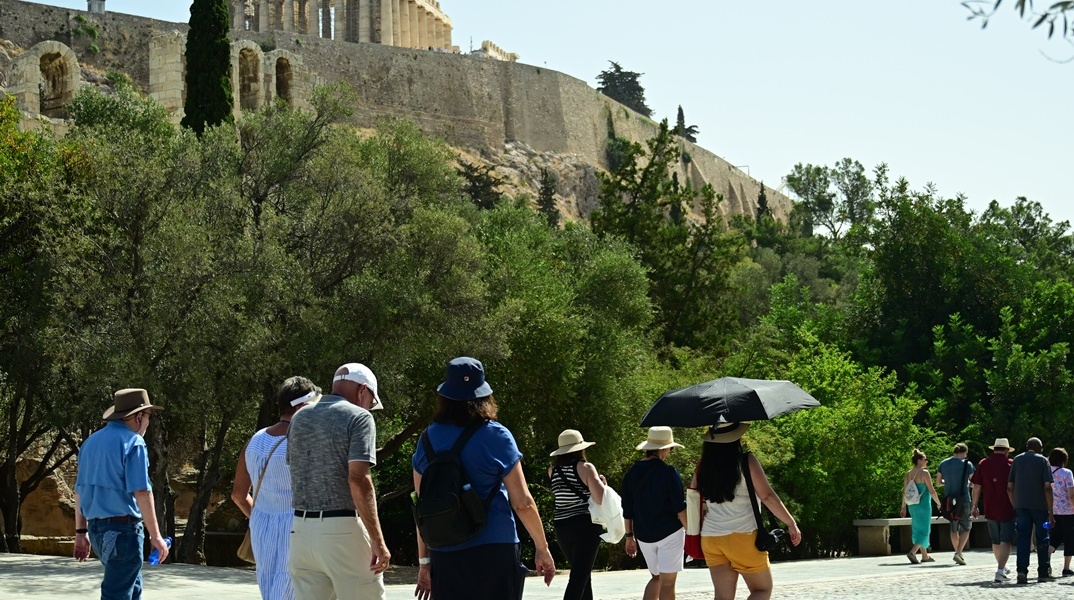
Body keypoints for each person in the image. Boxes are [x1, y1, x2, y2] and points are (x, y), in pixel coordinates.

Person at [412, 356, 555, 600]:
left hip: (445, 552)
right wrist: (543, 549)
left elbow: (422, 508)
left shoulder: (427, 440)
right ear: (483, 396)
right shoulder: (496, 435)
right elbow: (523, 503)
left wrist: (425, 562)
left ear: (445, 396)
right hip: (494, 549)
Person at [287, 362, 390, 599]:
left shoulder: (300, 416)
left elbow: (298, 472)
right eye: (372, 402)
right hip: (341, 529)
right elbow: (358, 479)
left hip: (300, 531)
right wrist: (378, 541)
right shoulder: (359, 417)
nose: (369, 407)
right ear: (362, 390)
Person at [72, 388, 169, 600]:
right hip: (123, 531)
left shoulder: (89, 443)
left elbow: (79, 491)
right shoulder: (134, 443)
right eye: (148, 417)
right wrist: (156, 536)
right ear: (139, 416)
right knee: (117, 594)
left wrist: (81, 532)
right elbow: (142, 491)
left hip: (97, 531)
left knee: (131, 590)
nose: (148, 423)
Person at [230, 376, 319, 600]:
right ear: (302, 406)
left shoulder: (254, 441)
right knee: (289, 589)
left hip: (261, 525)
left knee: (269, 588)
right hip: (297, 525)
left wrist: (260, 515)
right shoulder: (304, 442)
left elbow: (238, 495)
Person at [690, 422, 802, 600]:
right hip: (742, 536)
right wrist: (791, 523)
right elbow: (767, 496)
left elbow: (695, 499)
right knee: (762, 590)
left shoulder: (702, 467)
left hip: (711, 538)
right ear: (736, 439)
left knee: (722, 597)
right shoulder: (746, 461)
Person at [622, 426, 688, 600]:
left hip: (643, 534)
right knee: (667, 583)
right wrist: (691, 531)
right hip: (670, 533)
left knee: (656, 578)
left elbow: (627, 508)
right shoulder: (668, 472)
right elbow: (679, 507)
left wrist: (629, 536)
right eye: (670, 448)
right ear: (664, 448)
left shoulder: (632, 472)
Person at [548, 429, 608, 600]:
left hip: (561, 526)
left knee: (583, 575)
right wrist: (603, 484)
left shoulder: (553, 470)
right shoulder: (586, 467)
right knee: (579, 577)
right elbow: (600, 498)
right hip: (584, 525)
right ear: (580, 448)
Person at [1008, 436, 1055, 584]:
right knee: (1043, 537)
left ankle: (1022, 571)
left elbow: (1009, 487)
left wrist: (1015, 504)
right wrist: (1051, 511)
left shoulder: (1017, 460)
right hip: (1040, 507)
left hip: (1021, 506)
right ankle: (1043, 571)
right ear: (1039, 448)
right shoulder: (1043, 461)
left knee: (1023, 538)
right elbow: (1047, 487)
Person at [970, 438, 1016, 583]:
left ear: (994, 449)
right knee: (1006, 540)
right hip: (1008, 507)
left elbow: (976, 486)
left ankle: (1001, 567)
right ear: (1007, 450)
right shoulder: (1011, 464)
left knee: (996, 540)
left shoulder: (984, 463)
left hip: (990, 507)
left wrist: (974, 505)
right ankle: (1000, 570)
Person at [936, 442, 975, 565]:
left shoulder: (943, 463)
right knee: (966, 527)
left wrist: (946, 482)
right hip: (963, 499)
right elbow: (973, 482)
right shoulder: (967, 464)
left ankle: (959, 553)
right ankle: (958, 552)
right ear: (964, 453)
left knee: (954, 527)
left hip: (948, 500)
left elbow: (938, 482)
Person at [900, 449, 941, 564]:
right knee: (925, 530)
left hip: (912, 505)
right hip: (923, 505)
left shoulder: (908, 474)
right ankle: (912, 552)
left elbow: (905, 492)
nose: (927, 462)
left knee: (918, 528)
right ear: (919, 461)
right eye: (925, 459)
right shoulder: (924, 473)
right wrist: (938, 503)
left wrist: (903, 507)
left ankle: (925, 556)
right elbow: (932, 491)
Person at [1048, 447, 1074, 576]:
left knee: (1056, 537)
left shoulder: (1046, 472)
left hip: (1054, 510)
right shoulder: (1066, 473)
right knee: (1070, 539)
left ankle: (1046, 559)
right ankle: (1066, 568)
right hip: (1069, 511)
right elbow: (1071, 494)